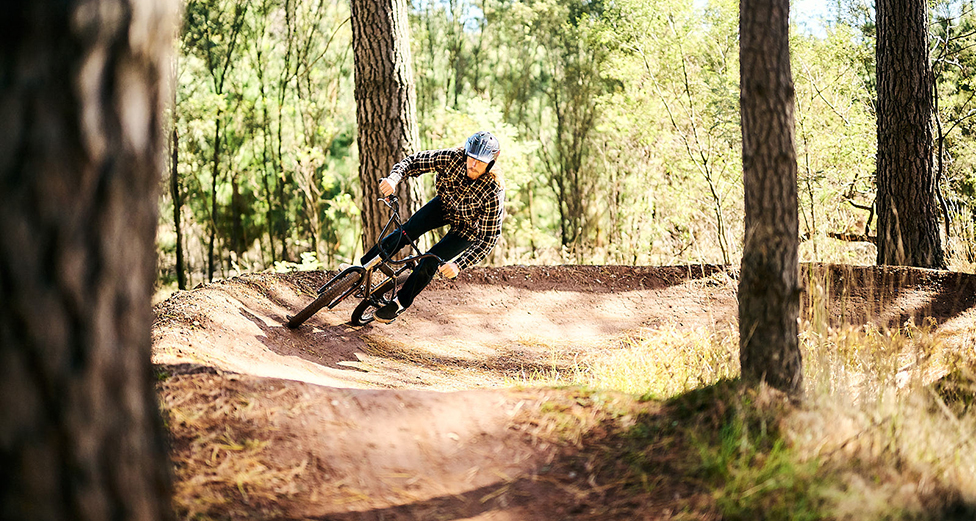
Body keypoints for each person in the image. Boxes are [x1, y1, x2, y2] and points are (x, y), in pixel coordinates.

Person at [362, 130, 505, 323]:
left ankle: (399, 304)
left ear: (491, 164)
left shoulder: (493, 191)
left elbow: (489, 238)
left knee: (430, 261)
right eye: (471, 158)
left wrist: (458, 264)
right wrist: (394, 178)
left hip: (468, 229)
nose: (472, 165)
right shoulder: (452, 158)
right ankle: (362, 269)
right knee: (407, 231)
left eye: (480, 162)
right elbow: (414, 161)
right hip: (444, 206)